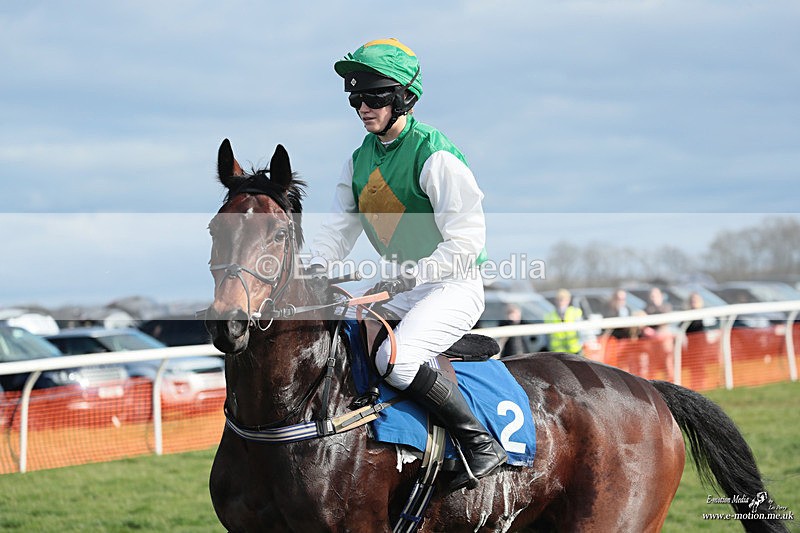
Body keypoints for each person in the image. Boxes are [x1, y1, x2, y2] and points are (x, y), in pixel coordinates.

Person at [309, 38, 506, 490]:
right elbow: (338, 230)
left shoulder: (434, 154)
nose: (362, 106)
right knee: (338, 337)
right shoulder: (357, 161)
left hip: (454, 285)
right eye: (355, 98)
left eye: (374, 96)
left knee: (395, 362)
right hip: (402, 288)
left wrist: (413, 275)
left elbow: (467, 240)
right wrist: (313, 267)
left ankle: (479, 443)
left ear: (404, 97)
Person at [544, 289, 584, 354]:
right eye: (559, 299)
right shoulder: (549, 316)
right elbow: (546, 337)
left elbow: (582, 332)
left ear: (569, 300)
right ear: (556, 300)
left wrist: (581, 344)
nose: (561, 302)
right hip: (557, 352)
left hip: (574, 350)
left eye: (564, 299)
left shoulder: (575, 312)